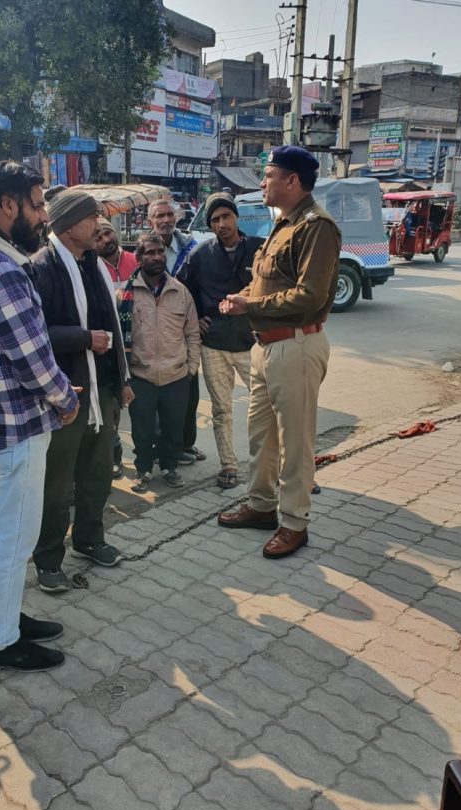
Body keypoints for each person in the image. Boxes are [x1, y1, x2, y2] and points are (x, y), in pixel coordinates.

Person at [0, 162, 79, 672]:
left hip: (2, 421)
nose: (45, 214)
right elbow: (32, 357)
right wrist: (66, 399)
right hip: (16, 424)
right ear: (9, 205)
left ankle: (4, 618)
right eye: (39, 202)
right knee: (13, 537)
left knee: (13, 533)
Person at [217, 146, 341, 559]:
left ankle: (294, 522)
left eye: (269, 174)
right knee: (261, 436)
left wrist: (250, 306)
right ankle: (261, 505)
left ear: (292, 181)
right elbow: (267, 282)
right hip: (266, 346)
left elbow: (309, 295)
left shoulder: (316, 226)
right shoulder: (282, 225)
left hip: (297, 344)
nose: (263, 181)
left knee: (296, 440)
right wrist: (243, 297)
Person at [31, 190, 133, 592]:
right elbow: (34, 335)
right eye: (92, 217)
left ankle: (90, 539)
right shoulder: (43, 267)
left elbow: (114, 327)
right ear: (69, 224)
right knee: (56, 485)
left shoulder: (93, 264)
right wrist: (83, 339)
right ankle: (48, 559)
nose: (100, 226)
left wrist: (122, 380)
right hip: (65, 396)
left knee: (96, 474)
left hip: (102, 392)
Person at [178, 193, 264, 489]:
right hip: (213, 343)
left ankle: (271, 465)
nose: (222, 223)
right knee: (221, 409)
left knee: (267, 405)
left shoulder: (259, 249)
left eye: (226, 216)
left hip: (253, 342)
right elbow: (181, 292)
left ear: (237, 217)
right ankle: (229, 464)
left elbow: (278, 285)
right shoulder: (200, 255)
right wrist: (197, 317)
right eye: (215, 219)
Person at [119, 233, 200, 493]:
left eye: (160, 252)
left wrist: (191, 368)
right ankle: (143, 470)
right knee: (142, 430)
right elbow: (119, 338)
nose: (156, 257)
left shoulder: (181, 292)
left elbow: (192, 333)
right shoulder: (125, 294)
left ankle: (169, 467)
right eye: (149, 253)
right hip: (141, 375)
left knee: (173, 426)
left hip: (176, 375)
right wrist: (125, 376)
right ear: (139, 258)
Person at [146, 199, 204, 466]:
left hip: (185, 328)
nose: (166, 219)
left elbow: (203, 285)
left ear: (177, 217)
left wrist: (202, 317)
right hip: (157, 334)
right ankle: (163, 450)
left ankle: (184, 444)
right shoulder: (145, 249)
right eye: (160, 216)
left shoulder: (191, 247)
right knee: (159, 401)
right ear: (151, 221)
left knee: (188, 394)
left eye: (170, 214)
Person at [95, 216, 138, 478]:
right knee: (111, 411)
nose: (105, 240)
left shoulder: (136, 261)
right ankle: (114, 458)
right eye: (98, 237)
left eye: (108, 234)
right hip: (110, 350)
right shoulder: (93, 268)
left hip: (138, 348)